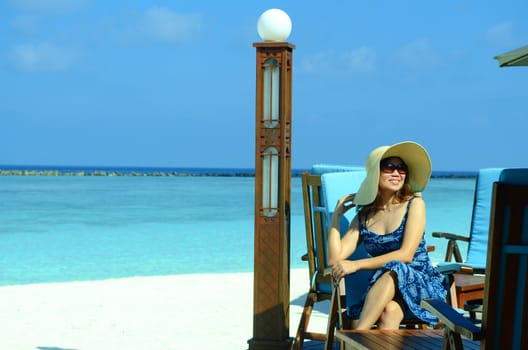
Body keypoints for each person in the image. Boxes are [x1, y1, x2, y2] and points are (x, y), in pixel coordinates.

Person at [328, 141, 446, 329]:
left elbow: (406, 255)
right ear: (376, 173)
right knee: (389, 312)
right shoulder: (364, 216)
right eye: (389, 167)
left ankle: (359, 335)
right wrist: (335, 218)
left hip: (421, 287)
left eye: (402, 168)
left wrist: (356, 265)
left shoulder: (414, 205)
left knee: (395, 268)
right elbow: (335, 259)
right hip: (386, 290)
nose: (397, 172)